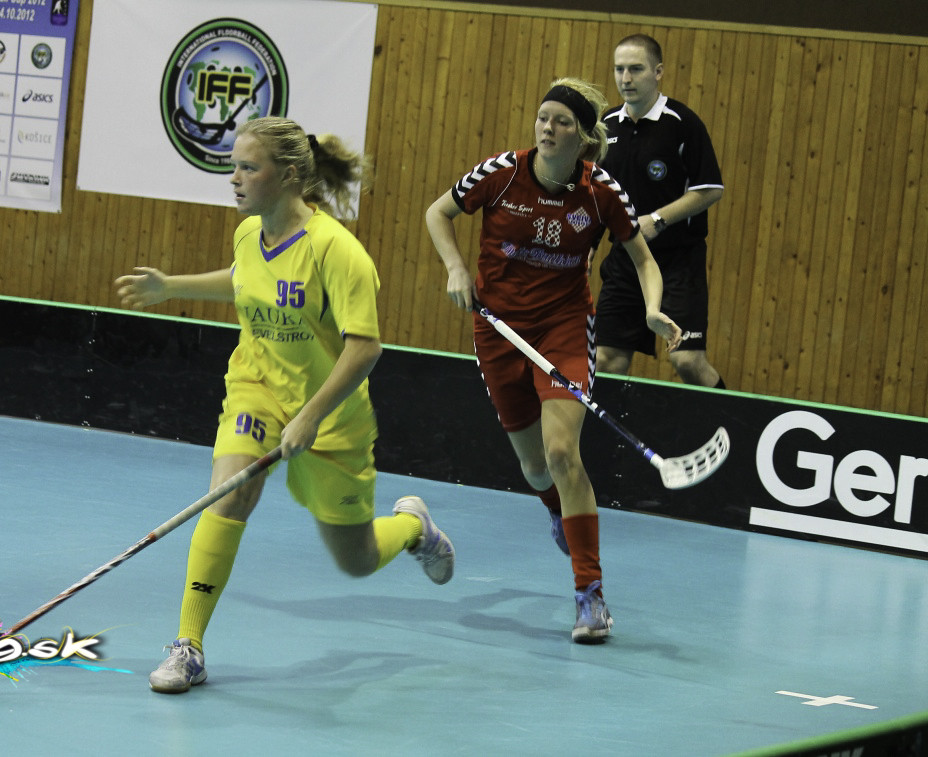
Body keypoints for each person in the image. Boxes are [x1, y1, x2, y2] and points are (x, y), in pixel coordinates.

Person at [115, 116, 454, 694]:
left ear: (290, 175)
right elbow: (244, 280)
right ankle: (188, 645)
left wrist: (311, 416)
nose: (235, 179)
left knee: (356, 558)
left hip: (329, 415)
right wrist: (170, 286)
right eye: (234, 167)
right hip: (258, 386)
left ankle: (412, 527)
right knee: (231, 491)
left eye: (249, 168)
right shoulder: (249, 234)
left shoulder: (337, 252)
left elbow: (366, 347)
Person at [424, 78, 681, 643]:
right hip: (498, 330)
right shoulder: (502, 172)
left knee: (562, 452)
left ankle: (590, 595)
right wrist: (456, 268)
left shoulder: (601, 191)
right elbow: (438, 213)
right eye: (543, 117)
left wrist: (653, 310)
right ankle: (558, 511)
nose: (547, 128)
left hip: (562, 328)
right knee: (535, 468)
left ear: (582, 137)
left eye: (561, 121)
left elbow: (643, 259)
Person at [595, 33, 726, 388]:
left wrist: (658, 220)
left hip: (678, 260)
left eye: (636, 69)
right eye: (619, 69)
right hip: (626, 259)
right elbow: (596, 191)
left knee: (688, 361)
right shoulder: (606, 125)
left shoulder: (682, 124)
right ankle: (612, 427)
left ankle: (730, 422)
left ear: (658, 72)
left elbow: (710, 189)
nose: (625, 78)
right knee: (606, 359)